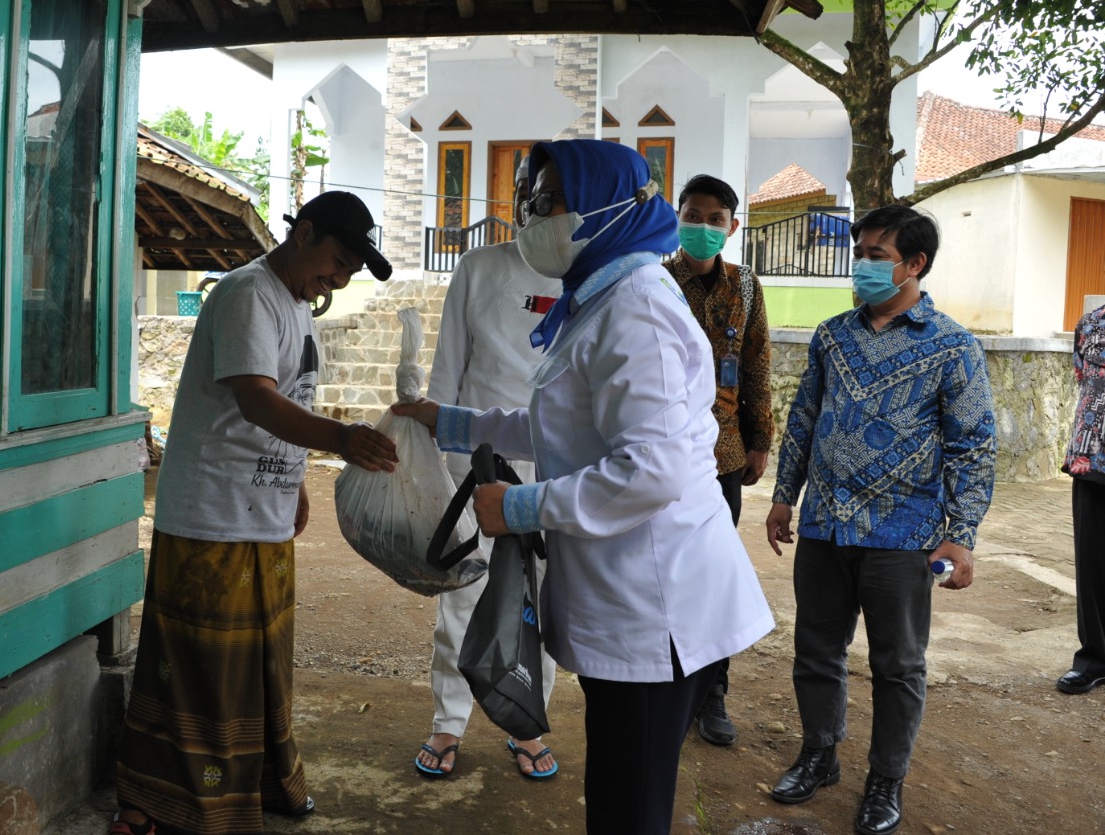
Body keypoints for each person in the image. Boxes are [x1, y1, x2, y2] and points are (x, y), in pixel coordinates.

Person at [395, 139, 774, 835]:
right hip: (625, 590)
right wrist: (449, 421)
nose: (531, 217)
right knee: (619, 795)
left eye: (546, 201)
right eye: (528, 202)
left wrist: (516, 506)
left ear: (603, 206)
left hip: (656, 607)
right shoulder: (601, 298)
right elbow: (562, 426)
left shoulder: (639, 312)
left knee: (628, 806)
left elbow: (649, 470)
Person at [113, 191, 399, 835]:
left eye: (352, 268)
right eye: (338, 259)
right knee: (198, 673)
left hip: (260, 514)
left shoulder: (298, 307)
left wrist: (293, 479)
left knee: (257, 669)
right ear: (305, 234)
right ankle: (154, 801)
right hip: (211, 515)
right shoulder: (248, 294)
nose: (341, 276)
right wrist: (342, 440)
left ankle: (252, 788)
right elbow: (256, 401)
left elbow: (281, 410)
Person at [765, 205, 996, 835]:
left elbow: (972, 445)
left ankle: (885, 779)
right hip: (825, 525)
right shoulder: (833, 334)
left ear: (914, 264)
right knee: (816, 650)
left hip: (904, 534)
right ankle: (820, 754)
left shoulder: (953, 346)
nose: (861, 265)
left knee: (898, 664)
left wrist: (961, 535)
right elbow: (805, 417)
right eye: (859, 252)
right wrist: (784, 496)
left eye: (876, 255)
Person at [414, 155, 565, 780]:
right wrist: (446, 464)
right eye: (530, 189)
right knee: (465, 598)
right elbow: (448, 370)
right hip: (477, 466)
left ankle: (525, 720)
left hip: (558, 466)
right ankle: (448, 722)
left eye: (553, 194)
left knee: (544, 601)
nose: (538, 202)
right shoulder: (478, 269)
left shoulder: (588, 281)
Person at [662, 174, 773, 747]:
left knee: (713, 576)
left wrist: (759, 442)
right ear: (676, 217)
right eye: (692, 215)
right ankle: (663, 686)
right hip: (659, 453)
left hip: (723, 456)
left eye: (714, 218)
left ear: (732, 227)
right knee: (659, 572)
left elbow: (755, 367)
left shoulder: (747, 288)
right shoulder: (653, 280)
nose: (702, 227)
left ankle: (713, 695)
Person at [1056, 302, 1105, 695]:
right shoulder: (1091, 322)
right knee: (1092, 566)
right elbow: (1082, 379)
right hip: (1092, 460)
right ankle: (1094, 659)